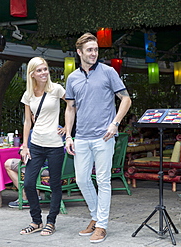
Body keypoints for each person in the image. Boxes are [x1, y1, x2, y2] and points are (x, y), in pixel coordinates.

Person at [64, 33, 131, 243]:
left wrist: (115, 123)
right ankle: (95, 217)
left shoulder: (108, 72)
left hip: (104, 136)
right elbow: (70, 109)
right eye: (90, 50)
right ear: (79, 52)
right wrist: (68, 135)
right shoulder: (72, 78)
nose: (94, 53)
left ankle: (101, 225)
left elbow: (126, 99)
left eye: (96, 50)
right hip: (81, 137)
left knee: (103, 181)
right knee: (82, 180)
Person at [18, 57, 66, 236]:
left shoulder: (57, 89)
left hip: (54, 144)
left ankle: (51, 221)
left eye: (45, 69)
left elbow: (72, 106)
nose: (44, 72)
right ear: (32, 74)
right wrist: (25, 145)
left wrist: (68, 127)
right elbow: (27, 122)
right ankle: (36, 220)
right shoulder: (28, 94)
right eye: (39, 70)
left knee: (54, 184)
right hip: (36, 144)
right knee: (29, 183)